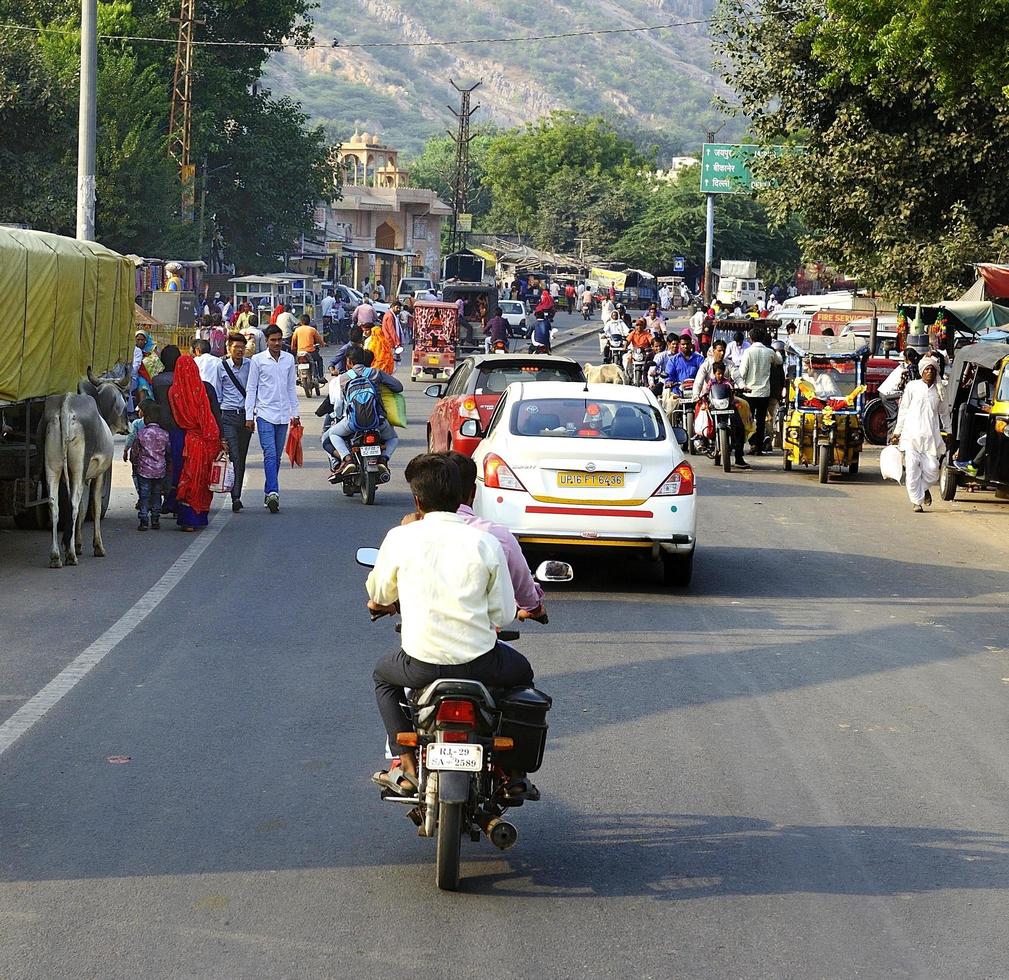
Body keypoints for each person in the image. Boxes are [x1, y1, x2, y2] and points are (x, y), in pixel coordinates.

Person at [368, 453, 529, 792]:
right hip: (480, 664)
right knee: (522, 675)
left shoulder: (400, 538)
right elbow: (503, 615)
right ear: (464, 498)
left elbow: (380, 593)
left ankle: (406, 762)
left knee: (383, 677)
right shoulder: (486, 542)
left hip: (419, 665)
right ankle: (513, 773)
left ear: (417, 499)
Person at [447, 451, 546, 615]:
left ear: (420, 499)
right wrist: (533, 607)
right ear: (473, 492)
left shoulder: (406, 535)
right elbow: (524, 591)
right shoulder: (497, 536)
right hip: (479, 635)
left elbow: (389, 593)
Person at [324, 346, 402, 480]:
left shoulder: (343, 378)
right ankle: (383, 459)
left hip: (353, 423)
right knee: (393, 438)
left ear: (348, 361)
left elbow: (338, 404)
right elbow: (398, 387)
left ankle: (347, 459)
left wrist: (338, 417)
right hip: (377, 420)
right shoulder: (376, 373)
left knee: (332, 434)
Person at [245, 324, 299, 514]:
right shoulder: (258, 360)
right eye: (273, 340)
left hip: (284, 415)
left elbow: (291, 387)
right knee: (270, 454)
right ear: (266, 341)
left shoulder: (289, 359)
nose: (276, 343)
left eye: (279, 339)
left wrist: (296, 413)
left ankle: (269, 491)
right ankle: (274, 492)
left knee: (276, 457)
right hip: (265, 414)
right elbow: (251, 388)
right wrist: (249, 415)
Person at [168, 354, 223, 532]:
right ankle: (199, 517)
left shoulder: (173, 392)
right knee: (203, 479)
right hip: (208, 439)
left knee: (188, 477)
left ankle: (187, 519)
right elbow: (215, 413)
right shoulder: (205, 388)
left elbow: (174, 419)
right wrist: (222, 438)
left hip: (185, 440)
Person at [892, 356, 946, 512]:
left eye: (932, 369)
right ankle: (917, 502)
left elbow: (944, 414)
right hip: (911, 436)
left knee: (933, 470)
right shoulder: (912, 387)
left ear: (936, 372)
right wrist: (897, 432)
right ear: (922, 371)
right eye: (926, 369)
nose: (929, 372)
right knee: (911, 470)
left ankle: (922, 490)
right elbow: (903, 410)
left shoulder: (940, 390)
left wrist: (948, 431)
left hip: (930, 437)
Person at [214, 332, 253, 513]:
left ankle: (236, 494)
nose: (239, 351)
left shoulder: (250, 366)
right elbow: (217, 393)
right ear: (229, 349)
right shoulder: (221, 367)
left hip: (245, 416)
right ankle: (235, 497)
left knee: (242, 456)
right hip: (228, 416)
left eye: (242, 347)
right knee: (234, 455)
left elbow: (253, 391)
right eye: (236, 347)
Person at [737, 326, 782, 454]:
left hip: (749, 392)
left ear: (751, 339)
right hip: (764, 392)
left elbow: (742, 372)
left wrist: (740, 384)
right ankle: (759, 446)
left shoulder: (748, 352)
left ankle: (753, 444)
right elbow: (779, 361)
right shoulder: (769, 352)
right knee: (761, 420)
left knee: (750, 420)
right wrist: (777, 350)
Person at [130, 401, 171, 531]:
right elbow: (168, 452)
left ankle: (143, 520)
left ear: (146, 418)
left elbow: (134, 452)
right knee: (157, 494)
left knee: (144, 494)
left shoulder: (141, 434)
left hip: (144, 471)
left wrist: (135, 465)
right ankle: (155, 519)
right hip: (159, 471)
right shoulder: (165, 434)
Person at [290, 314, 325, 382]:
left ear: (301, 322)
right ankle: (321, 376)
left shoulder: (297, 330)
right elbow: (320, 341)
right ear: (309, 322)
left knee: (298, 363)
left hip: (300, 353)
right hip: (311, 352)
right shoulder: (312, 330)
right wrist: (323, 344)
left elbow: (293, 343)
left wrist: (293, 349)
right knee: (319, 360)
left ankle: (299, 376)